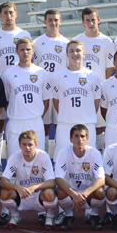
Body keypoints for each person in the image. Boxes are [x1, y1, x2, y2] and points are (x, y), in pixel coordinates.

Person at [0, 1, 32, 163]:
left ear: (16, 14)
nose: (8, 16)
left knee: (19, 120)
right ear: (0, 16)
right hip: (0, 84)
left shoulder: (24, 34)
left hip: (20, 83)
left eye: (11, 12)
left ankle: (25, 161)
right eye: (5, 13)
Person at [73, 7, 115, 150]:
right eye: (87, 20)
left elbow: (110, 67)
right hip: (81, 89)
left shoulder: (107, 42)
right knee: (82, 124)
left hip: (99, 89)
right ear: (83, 22)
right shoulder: (78, 40)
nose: (91, 23)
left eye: (93, 20)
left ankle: (100, 154)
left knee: (99, 125)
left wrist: (102, 84)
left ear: (98, 20)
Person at [0, 130, 57, 230]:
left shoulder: (43, 156)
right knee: (4, 193)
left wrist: (34, 187)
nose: (27, 148)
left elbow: (51, 182)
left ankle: (50, 217)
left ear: (36, 145)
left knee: (49, 193)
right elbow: (4, 181)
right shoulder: (14, 157)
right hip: (22, 195)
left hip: (39, 195)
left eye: (30, 144)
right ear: (19, 145)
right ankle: (15, 215)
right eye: (24, 144)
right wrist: (16, 187)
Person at [3, 37, 51, 156]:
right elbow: (6, 100)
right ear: (17, 51)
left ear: (33, 51)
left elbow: (46, 101)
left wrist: (35, 114)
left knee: (38, 159)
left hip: (35, 120)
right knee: (13, 159)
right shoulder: (8, 73)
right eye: (22, 50)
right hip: (15, 122)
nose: (25, 52)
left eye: (28, 49)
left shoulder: (42, 73)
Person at [51, 40, 102, 151]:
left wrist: (86, 115)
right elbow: (56, 101)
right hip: (65, 125)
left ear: (84, 53)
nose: (75, 54)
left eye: (78, 50)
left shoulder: (93, 76)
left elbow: (96, 101)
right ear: (67, 54)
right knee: (62, 160)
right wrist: (66, 115)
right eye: (71, 51)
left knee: (87, 160)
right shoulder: (57, 76)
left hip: (87, 124)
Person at [55, 124, 106, 231]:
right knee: (60, 191)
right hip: (71, 192)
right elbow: (58, 179)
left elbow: (101, 179)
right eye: (76, 136)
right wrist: (74, 195)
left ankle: (94, 215)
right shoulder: (63, 153)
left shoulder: (94, 153)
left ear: (87, 139)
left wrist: (84, 194)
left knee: (100, 192)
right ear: (71, 139)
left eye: (82, 136)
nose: (80, 139)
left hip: (88, 193)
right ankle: (69, 216)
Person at [32, 9, 68, 149]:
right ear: (45, 22)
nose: (53, 23)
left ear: (60, 21)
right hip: (43, 91)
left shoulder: (66, 43)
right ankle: (44, 157)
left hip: (60, 91)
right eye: (50, 20)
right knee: (44, 126)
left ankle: (60, 156)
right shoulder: (37, 43)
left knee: (60, 125)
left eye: (56, 20)